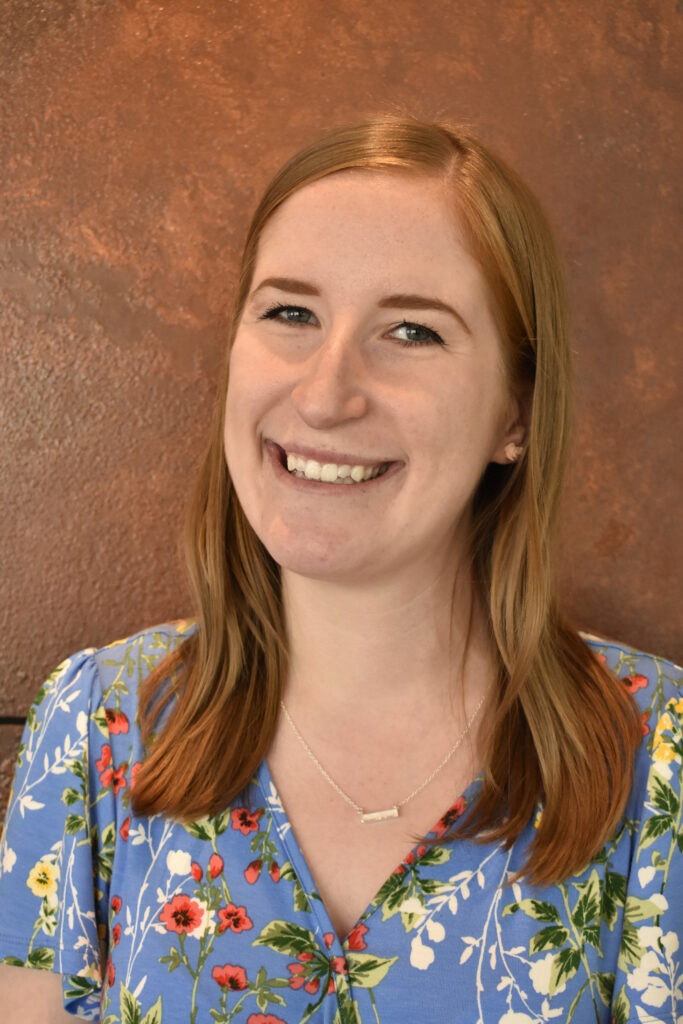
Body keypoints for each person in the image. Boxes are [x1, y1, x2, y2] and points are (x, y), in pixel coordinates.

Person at [0, 116, 680, 1024]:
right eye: (290, 313)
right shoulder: (95, 726)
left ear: (516, 412)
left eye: (411, 331)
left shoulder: (658, 757)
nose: (324, 394)